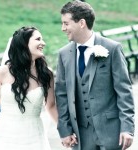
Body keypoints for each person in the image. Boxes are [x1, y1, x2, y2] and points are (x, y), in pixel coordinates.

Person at [55, 1, 135, 150]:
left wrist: (127, 128)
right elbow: (61, 95)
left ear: (81, 23)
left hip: (111, 132)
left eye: (66, 23)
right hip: (80, 136)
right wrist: (64, 130)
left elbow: (124, 92)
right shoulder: (64, 54)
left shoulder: (112, 48)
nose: (63, 28)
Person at [0, 26, 58, 150]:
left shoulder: (47, 74)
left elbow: (51, 106)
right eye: (38, 39)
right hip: (4, 134)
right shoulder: (2, 72)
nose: (43, 43)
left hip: (34, 135)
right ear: (25, 43)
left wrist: (65, 131)